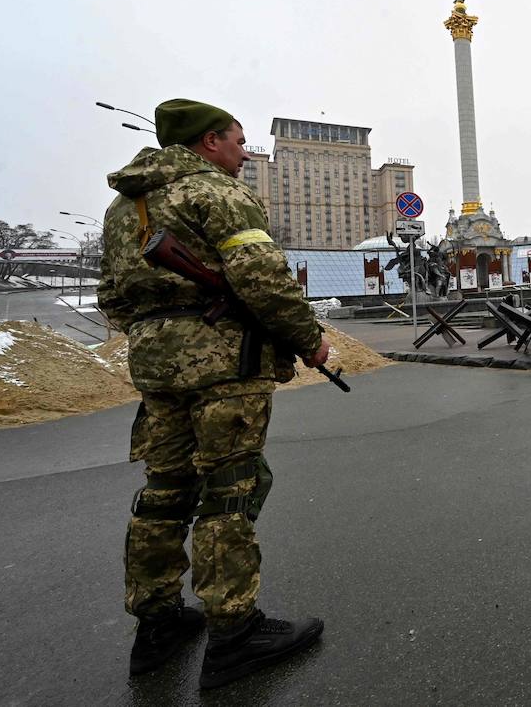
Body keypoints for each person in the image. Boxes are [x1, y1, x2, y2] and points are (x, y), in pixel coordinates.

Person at [98, 99, 329, 688]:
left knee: (165, 488)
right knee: (231, 487)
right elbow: (263, 278)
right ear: (208, 142)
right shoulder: (218, 193)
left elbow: (112, 297)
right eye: (237, 140)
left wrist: (161, 330)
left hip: (155, 365)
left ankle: (157, 621)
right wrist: (309, 340)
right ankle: (235, 631)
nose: (245, 152)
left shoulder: (125, 207)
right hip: (223, 363)